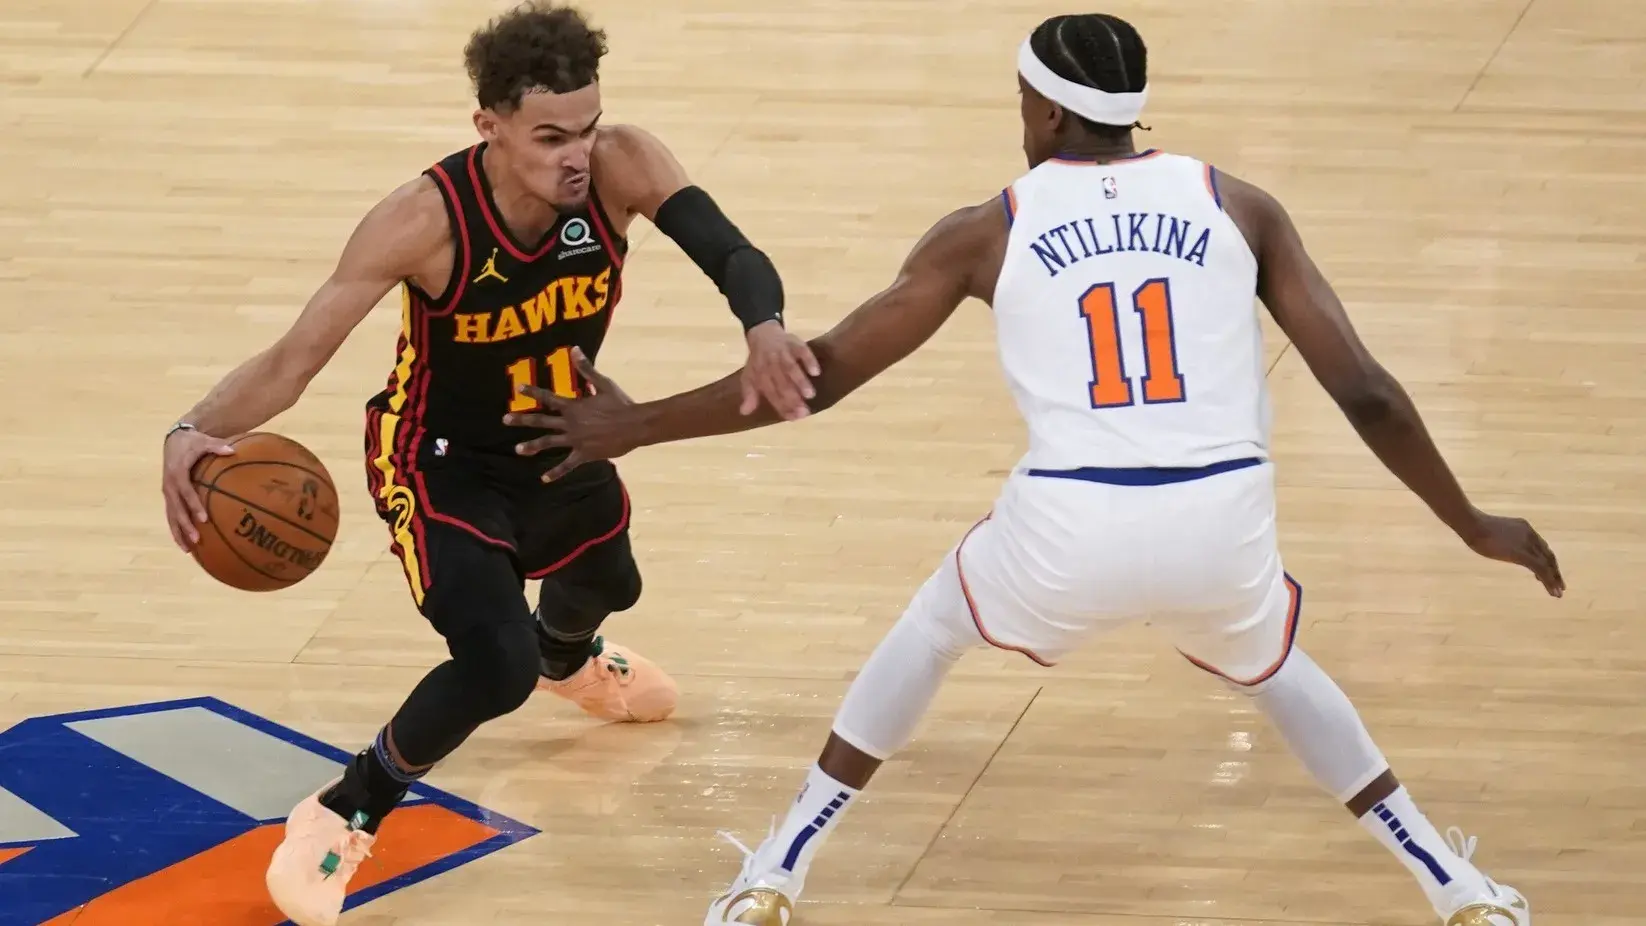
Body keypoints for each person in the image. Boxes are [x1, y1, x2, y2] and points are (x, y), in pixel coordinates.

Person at [508, 12, 1563, 926]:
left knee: (931, 626)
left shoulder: (986, 232)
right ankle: (1449, 877)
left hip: (1069, 524)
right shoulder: (1239, 206)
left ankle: (776, 866)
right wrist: (1470, 522)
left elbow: (815, 379)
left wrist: (636, 422)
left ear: (1047, 115)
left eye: (1021, 102)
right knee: (1275, 661)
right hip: (1220, 516)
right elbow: (1368, 393)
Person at [155, 4, 819, 924]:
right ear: (490, 127)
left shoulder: (622, 163)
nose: (576, 156)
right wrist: (189, 430)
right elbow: (292, 361)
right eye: (550, 137)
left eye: (586, 127)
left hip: (561, 429)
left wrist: (765, 329)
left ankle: (568, 660)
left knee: (612, 582)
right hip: (439, 462)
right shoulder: (421, 219)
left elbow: (733, 252)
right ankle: (346, 808)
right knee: (491, 666)